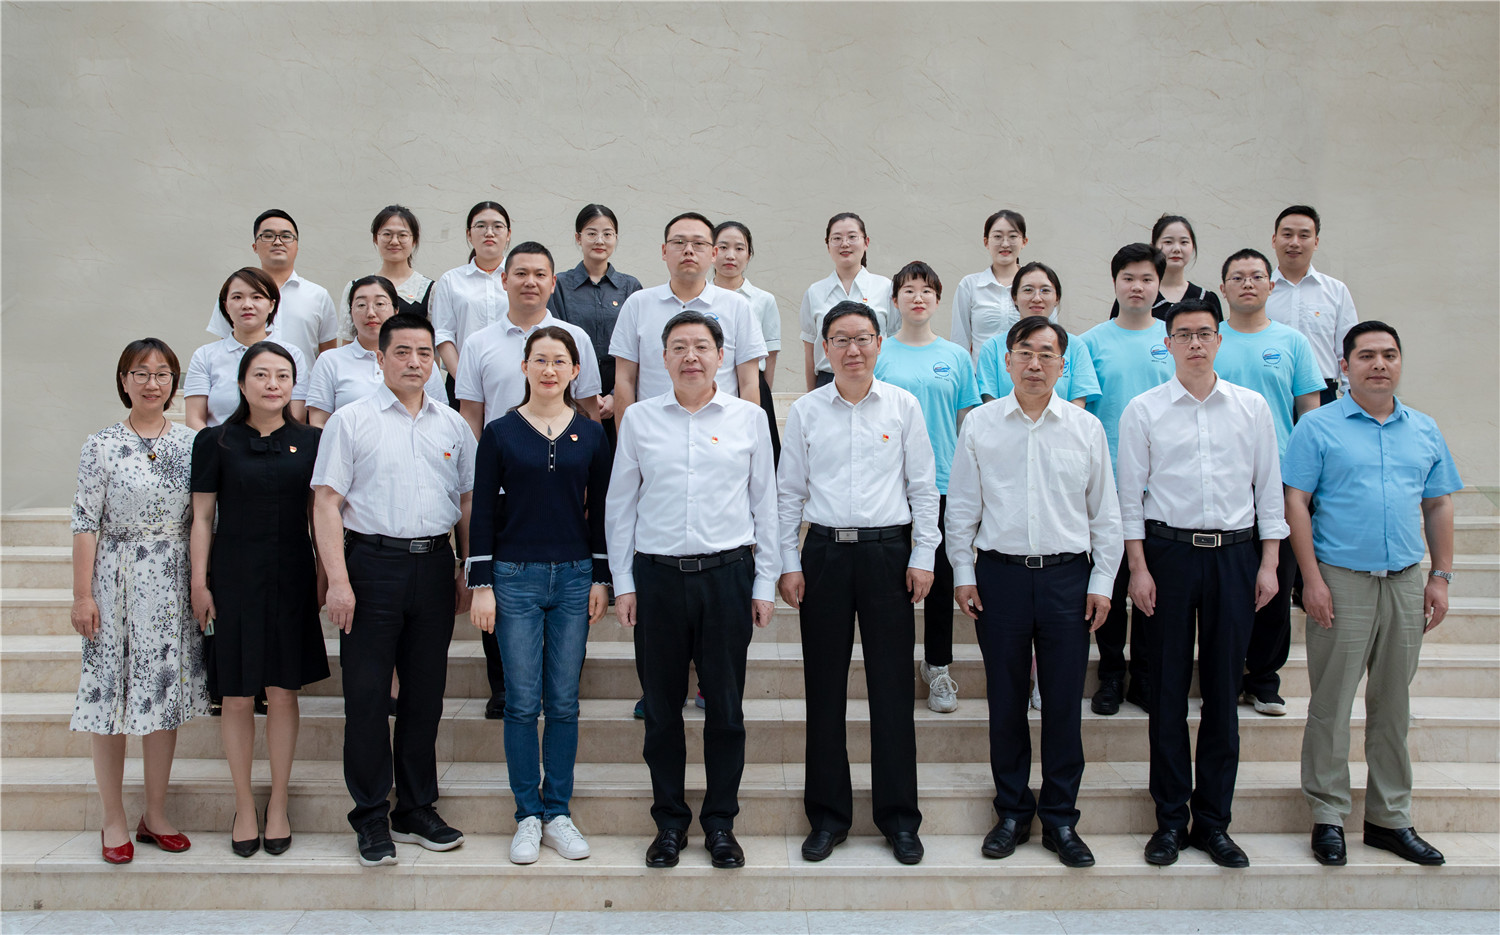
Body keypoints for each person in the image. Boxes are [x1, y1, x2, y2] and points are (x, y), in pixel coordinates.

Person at [1117, 298, 1286, 869]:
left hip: (1235, 556)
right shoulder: (1143, 410)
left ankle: (1214, 823)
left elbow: (1268, 489)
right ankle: (1170, 820)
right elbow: (1129, 496)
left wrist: (1269, 562)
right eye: (1184, 334)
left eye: (1204, 334)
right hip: (1167, 555)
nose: (1195, 343)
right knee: (1166, 693)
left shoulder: (1251, 407)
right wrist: (1138, 567)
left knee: (1221, 694)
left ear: (1219, 340)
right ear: (1166, 344)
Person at [606, 311, 778, 870]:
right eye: (678, 347)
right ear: (663, 358)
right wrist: (624, 582)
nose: (691, 357)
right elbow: (620, 504)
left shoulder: (749, 418)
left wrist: (765, 581)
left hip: (728, 576)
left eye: (701, 346)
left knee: (725, 708)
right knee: (661, 710)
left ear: (721, 356)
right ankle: (670, 823)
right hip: (656, 578)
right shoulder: (639, 419)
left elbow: (766, 503)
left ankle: (721, 823)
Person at [1284, 321, 1459, 868]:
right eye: (1366, 356)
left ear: (1400, 362)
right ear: (1344, 366)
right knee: (1331, 704)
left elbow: (1438, 503)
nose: (1379, 364)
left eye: (1389, 354)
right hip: (1341, 581)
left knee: (1393, 704)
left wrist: (1441, 576)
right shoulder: (1318, 426)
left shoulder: (1424, 429)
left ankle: (1390, 819)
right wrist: (1311, 580)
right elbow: (1296, 503)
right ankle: (1328, 815)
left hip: (1405, 581)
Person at [948, 316, 1121, 869]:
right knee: (1005, 700)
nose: (1035, 364)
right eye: (1024, 352)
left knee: (1064, 703)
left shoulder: (1085, 428)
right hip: (999, 577)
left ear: (1062, 365)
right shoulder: (980, 425)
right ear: (1007, 360)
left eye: (1047, 354)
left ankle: (1061, 819)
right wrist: (963, 572)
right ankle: (1012, 812)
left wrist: (1102, 582)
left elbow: (1106, 514)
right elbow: (962, 507)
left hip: (1067, 579)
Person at [311, 313, 476, 867]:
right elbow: (327, 503)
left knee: (424, 697)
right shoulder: (351, 421)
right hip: (370, 567)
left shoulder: (452, 426)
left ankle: (415, 807)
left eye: (424, 353)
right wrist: (338, 580)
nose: (414, 362)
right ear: (379, 358)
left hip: (434, 568)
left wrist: (465, 568)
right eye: (402, 351)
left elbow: (467, 501)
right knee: (365, 698)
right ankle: (369, 816)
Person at [778, 300, 938, 866]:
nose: (853, 349)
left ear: (879, 343)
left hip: (887, 556)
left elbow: (924, 488)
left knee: (892, 692)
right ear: (825, 348)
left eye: (863, 338)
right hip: (823, 553)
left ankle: (899, 819)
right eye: (841, 339)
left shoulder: (903, 406)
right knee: (824, 691)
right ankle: (828, 817)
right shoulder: (807, 411)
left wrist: (923, 555)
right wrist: (788, 561)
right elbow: (788, 493)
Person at [467, 327, 612, 865]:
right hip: (515, 578)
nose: (549, 370)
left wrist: (601, 577)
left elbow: (602, 511)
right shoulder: (501, 433)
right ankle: (527, 815)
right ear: (524, 366)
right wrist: (482, 584)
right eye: (540, 360)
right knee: (523, 703)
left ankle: (558, 813)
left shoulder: (591, 434)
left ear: (575, 370)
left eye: (560, 361)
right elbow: (482, 509)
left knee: (565, 702)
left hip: (574, 577)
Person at [70, 338, 209, 864]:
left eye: (163, 374)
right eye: (141, 373)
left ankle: (155, 813)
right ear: (124, 380)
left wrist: (200, 584)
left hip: (171, 582)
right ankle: (113, 818)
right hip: (116, 582)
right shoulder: (101, 445)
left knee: (162, 697)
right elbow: (85, 523)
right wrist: (82, 595)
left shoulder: (193, 444)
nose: (153, 383)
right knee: (110, 699)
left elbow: (203, 520)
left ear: (174, 383)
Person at [189, 341, 328, 857]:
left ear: (294, 384)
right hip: (233, 578)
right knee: (238, 695)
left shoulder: (312, 441)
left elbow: (320, 514)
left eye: (283, 376)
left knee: (284, 691)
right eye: (262, 375)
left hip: (292, 576)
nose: (273, 384)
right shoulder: (216, 441)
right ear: (242, 383)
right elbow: (203, 517)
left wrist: (325, 573)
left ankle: (279, 803)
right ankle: (244, 804)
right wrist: (199, 583)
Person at [455, 243, 602, 718]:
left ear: (553, 282)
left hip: (559, 485)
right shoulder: (479, 342)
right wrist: (477, 476)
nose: (530, 282)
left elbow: (589, 409)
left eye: (540, 273)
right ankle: (505, 689)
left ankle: (559, 688)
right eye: (520, 273)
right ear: (504, 279)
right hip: (502, 483)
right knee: (500, 590)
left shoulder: (573, 338)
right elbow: (471, 414)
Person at [1214, 248, 1325, 718]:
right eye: (1237, 277)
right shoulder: (1210, 340)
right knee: (1226, 584)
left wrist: (1306, 480)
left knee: (1276, 581)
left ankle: (1263, 678)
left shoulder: (1292, 342)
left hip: (1279, 480)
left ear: (1270, 285)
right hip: (1219, 480)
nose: (1247, 283)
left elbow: (1310, 415)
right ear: (1222, 288)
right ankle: (1222, 674)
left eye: (1256, 276)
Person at [872, 261, 981, 713]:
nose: (918, 298)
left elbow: (965, 423)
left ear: (938, 300)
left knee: (939, 582)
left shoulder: (955, 356)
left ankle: (937, 667)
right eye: (909, 290)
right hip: (890, 487)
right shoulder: (880, 352)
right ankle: (893, 667)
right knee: (893, 585)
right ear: (895, 300)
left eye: (927, 291)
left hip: (942, 485)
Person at [1079, 244, 1172, 717]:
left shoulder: (1174, 338)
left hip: (1166, 484)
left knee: (1158, 585)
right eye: (1128, 278)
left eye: (1147, 279)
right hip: (1110, 481)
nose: (1137, 287)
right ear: (1114, 283)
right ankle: (1111, 673)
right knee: (1112, 583)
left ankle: (1148, 675)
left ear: (1160, 284)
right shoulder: (1089, 343)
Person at [610, 212, 766, 423]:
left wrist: (747, 434)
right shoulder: (638, 304)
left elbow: (749, 383)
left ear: (713, 253)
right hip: (654, 429)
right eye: (679, 242)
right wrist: (625, 437)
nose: (688, 250)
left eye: (699, 243)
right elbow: (624, 380)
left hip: (720, 429)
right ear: (664, 251)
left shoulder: (737, 306)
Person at [547, 204, 643, 447]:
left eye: (607, 234)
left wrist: (615, 396)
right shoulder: (560, 285)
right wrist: (585, 394)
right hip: (571, 388)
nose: (600, 240)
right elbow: (555, 340)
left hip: (621, 386)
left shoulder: (630, 287)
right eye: (591, 233)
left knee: (620, 454)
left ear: (615, 238)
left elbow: (638, 345)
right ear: (578, 238)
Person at [203, 209, 338, 365]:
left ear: (297, 247)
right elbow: (226, 347)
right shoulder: (235, 294)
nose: (277, 242)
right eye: (268, 236)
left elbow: (327, 356)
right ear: (254, 246)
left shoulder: (318, 295)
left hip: (302, 381)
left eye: (286, 236)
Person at [308, 275, 447, 426]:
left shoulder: (419, 361)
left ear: (396, 310)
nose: (371, 313)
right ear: (351, 312)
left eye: (380, 304)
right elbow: (319, 423)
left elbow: (439, 415)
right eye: (361, 305)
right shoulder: (330, 361)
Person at [185, 268, 309, 428]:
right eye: (237, 297)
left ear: (272, 305)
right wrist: (216, 443)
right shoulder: (205, 355)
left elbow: (296, 415)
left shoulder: (292, 354)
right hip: (218, 442)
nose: (247, 305)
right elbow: (194, 419)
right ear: (226, 306)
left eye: (257, 297)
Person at [1266, 205, 1359, 404]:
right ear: (1274, 240)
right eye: (1287, 234)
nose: (1294, 243)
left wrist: (1350, 399)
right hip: (1269, 391)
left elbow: (1348, 349)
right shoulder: (1260, 291)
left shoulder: (1336, 291)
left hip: (1323, 392)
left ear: (1316, 242)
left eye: (1304, 236)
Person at [976, 262, 1101, 407]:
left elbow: (1078, 404)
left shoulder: (1076, 346)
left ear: (1057, 298)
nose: (1036, 298)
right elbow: (989, 403)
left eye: (1045, 290)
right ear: (1014, 297)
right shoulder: (992, 347)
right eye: (1028, 290)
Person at [799, 212, 899, 389]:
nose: (844, 244)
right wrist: (811, 394)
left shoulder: (886, 288)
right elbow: (810, 351)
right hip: (828, 382)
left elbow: (895, 342)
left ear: (866, 242)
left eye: (852, 237)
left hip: (877, 380)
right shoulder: (814, 292)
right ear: (828, 245)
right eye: (837, 238)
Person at [711, 219, 782, 465]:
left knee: (758, 455)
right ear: (712, 252)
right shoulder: (700, 298)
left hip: (753, 386)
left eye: (739, 248)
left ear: (749, 254)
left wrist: (761, 390)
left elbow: (770, 354)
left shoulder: (763, 300)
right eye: (723, 247)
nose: (730, 255)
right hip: (712, 383)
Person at [431, 201, 513, 402]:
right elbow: (443, 334)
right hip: (462, 382)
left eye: (497, 226)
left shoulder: (519, 278)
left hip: (513, 382)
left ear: (508, 234)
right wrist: (465, 381)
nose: (489, 233)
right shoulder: (451, 280)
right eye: (481, 226)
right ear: (469, 234)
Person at [336, 205, 436, 343]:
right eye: (387, 234)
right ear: (375, 238)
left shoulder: (430, 289)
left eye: (402, 235)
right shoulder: (355, 287)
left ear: (414, 240)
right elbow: (347, 342)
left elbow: (434, 344)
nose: (394, 241)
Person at [951, 209, 1037, 361]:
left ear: (1024, 241)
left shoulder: (1037, 285)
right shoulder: (969, 285)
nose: (1005, 244)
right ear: (986, 242)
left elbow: (1051, 336)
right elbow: (960, 341)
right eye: (997, 236)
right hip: (980, 374)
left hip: (1028, 372)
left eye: (1012, 236)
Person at [1109, 214, 1223, 320]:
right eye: (1168, 242)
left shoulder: (1206, 298)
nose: (1177, 249)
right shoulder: (1133, 296)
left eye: (1184, 242)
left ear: (1193, 246)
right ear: (1153, 247)